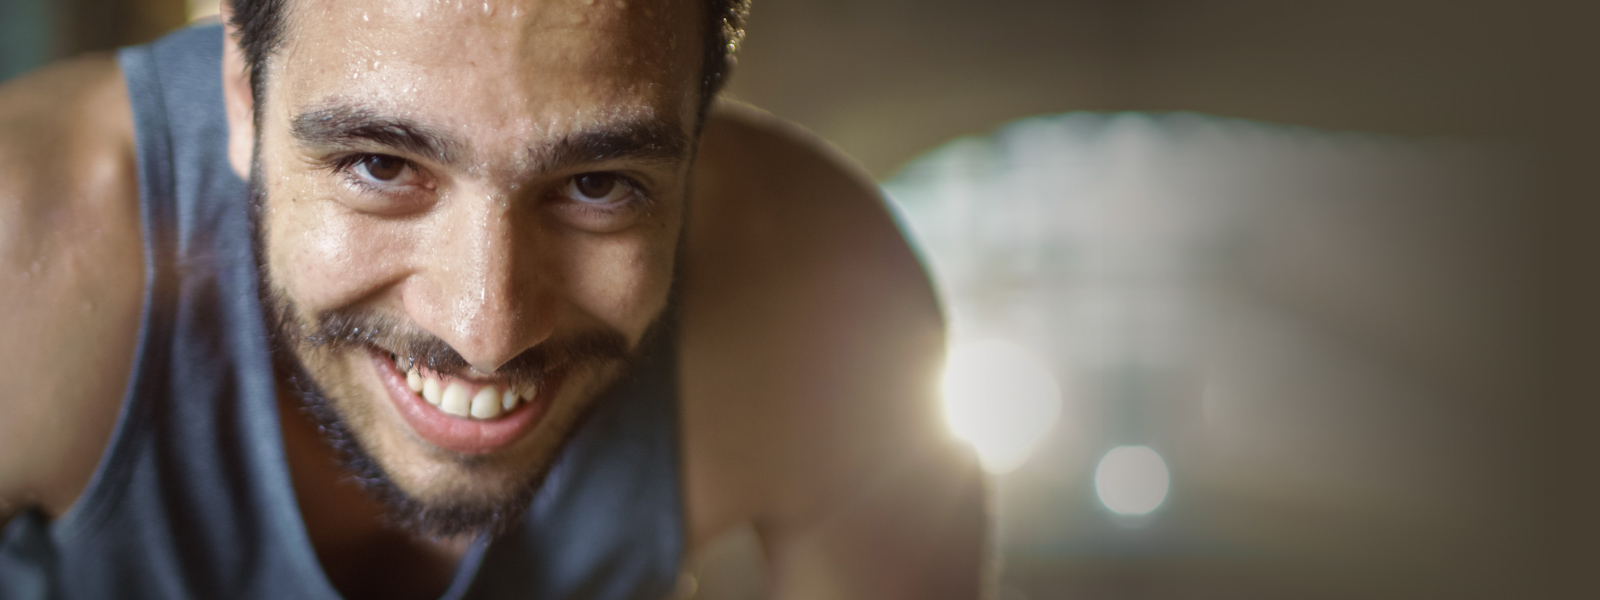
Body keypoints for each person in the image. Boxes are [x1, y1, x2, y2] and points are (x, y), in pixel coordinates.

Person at [0, 0, 984, 598]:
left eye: (598, 184)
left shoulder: (830, 310)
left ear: (696, 130)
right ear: (242, 98)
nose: (484, 328)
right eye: (381, 164)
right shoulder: (27, 251)